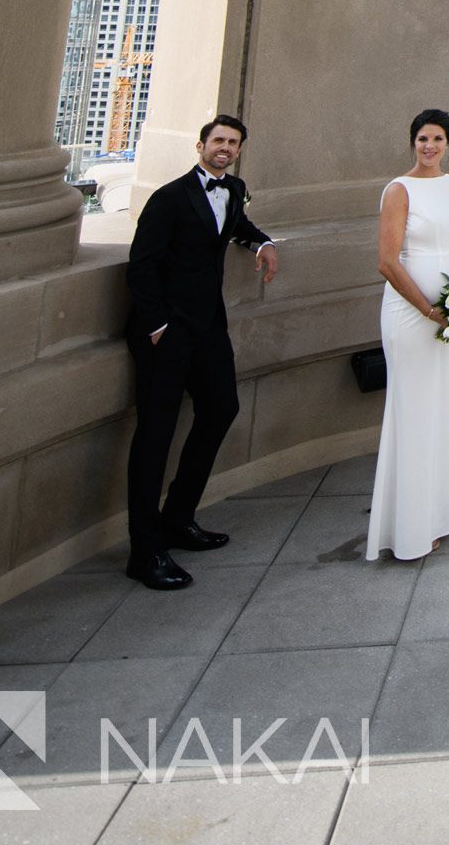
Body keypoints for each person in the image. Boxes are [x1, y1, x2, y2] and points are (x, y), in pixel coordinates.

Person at [124, 114, 278, 590]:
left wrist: (262, 241)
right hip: (167, 331)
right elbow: (142, 264)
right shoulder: (168, 198)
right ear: (201, 145)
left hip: (209, 326)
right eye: (218, 141)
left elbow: (235, 223)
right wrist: (156, 327)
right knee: (156, 435)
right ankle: (144, 552)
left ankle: (178, 518)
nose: (225, 148)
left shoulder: (233, 189)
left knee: (221, 407)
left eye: (233, 143)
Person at [365, 109, 449, 561]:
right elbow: (388, 262)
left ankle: (437, 516)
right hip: (414, 319)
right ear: (412, 142)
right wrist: (431, 310)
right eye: (421, 138)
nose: (429, 146)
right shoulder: (399, 189)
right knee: (412, 416)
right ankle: (408, 531)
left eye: (437, 138)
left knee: (438, 413)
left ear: (448, 142)